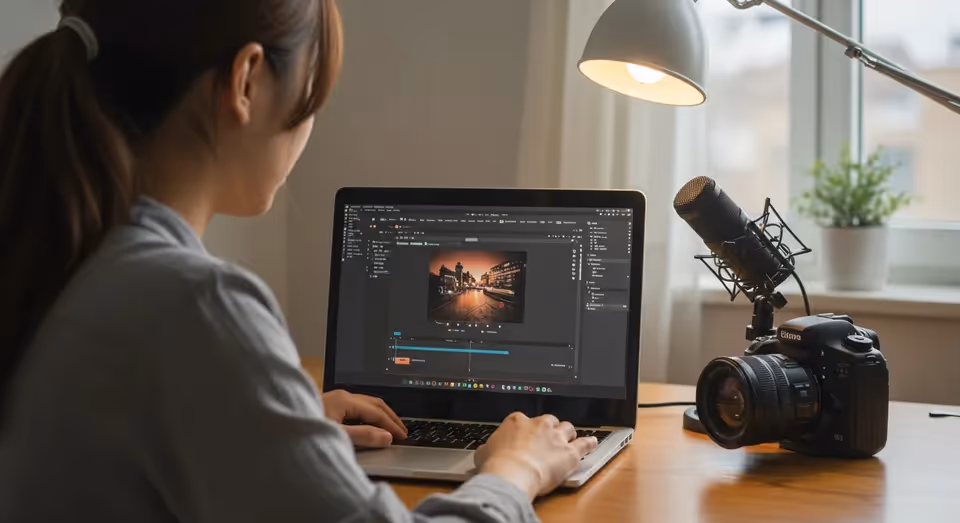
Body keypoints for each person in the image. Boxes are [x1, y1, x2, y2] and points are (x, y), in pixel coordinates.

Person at [0, 1, 598, 522]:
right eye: (314, 96)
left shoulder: (60, 256)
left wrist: (268, 422)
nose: (308, 128)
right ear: (246, 81)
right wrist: (515, 471)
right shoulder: (195, 304)